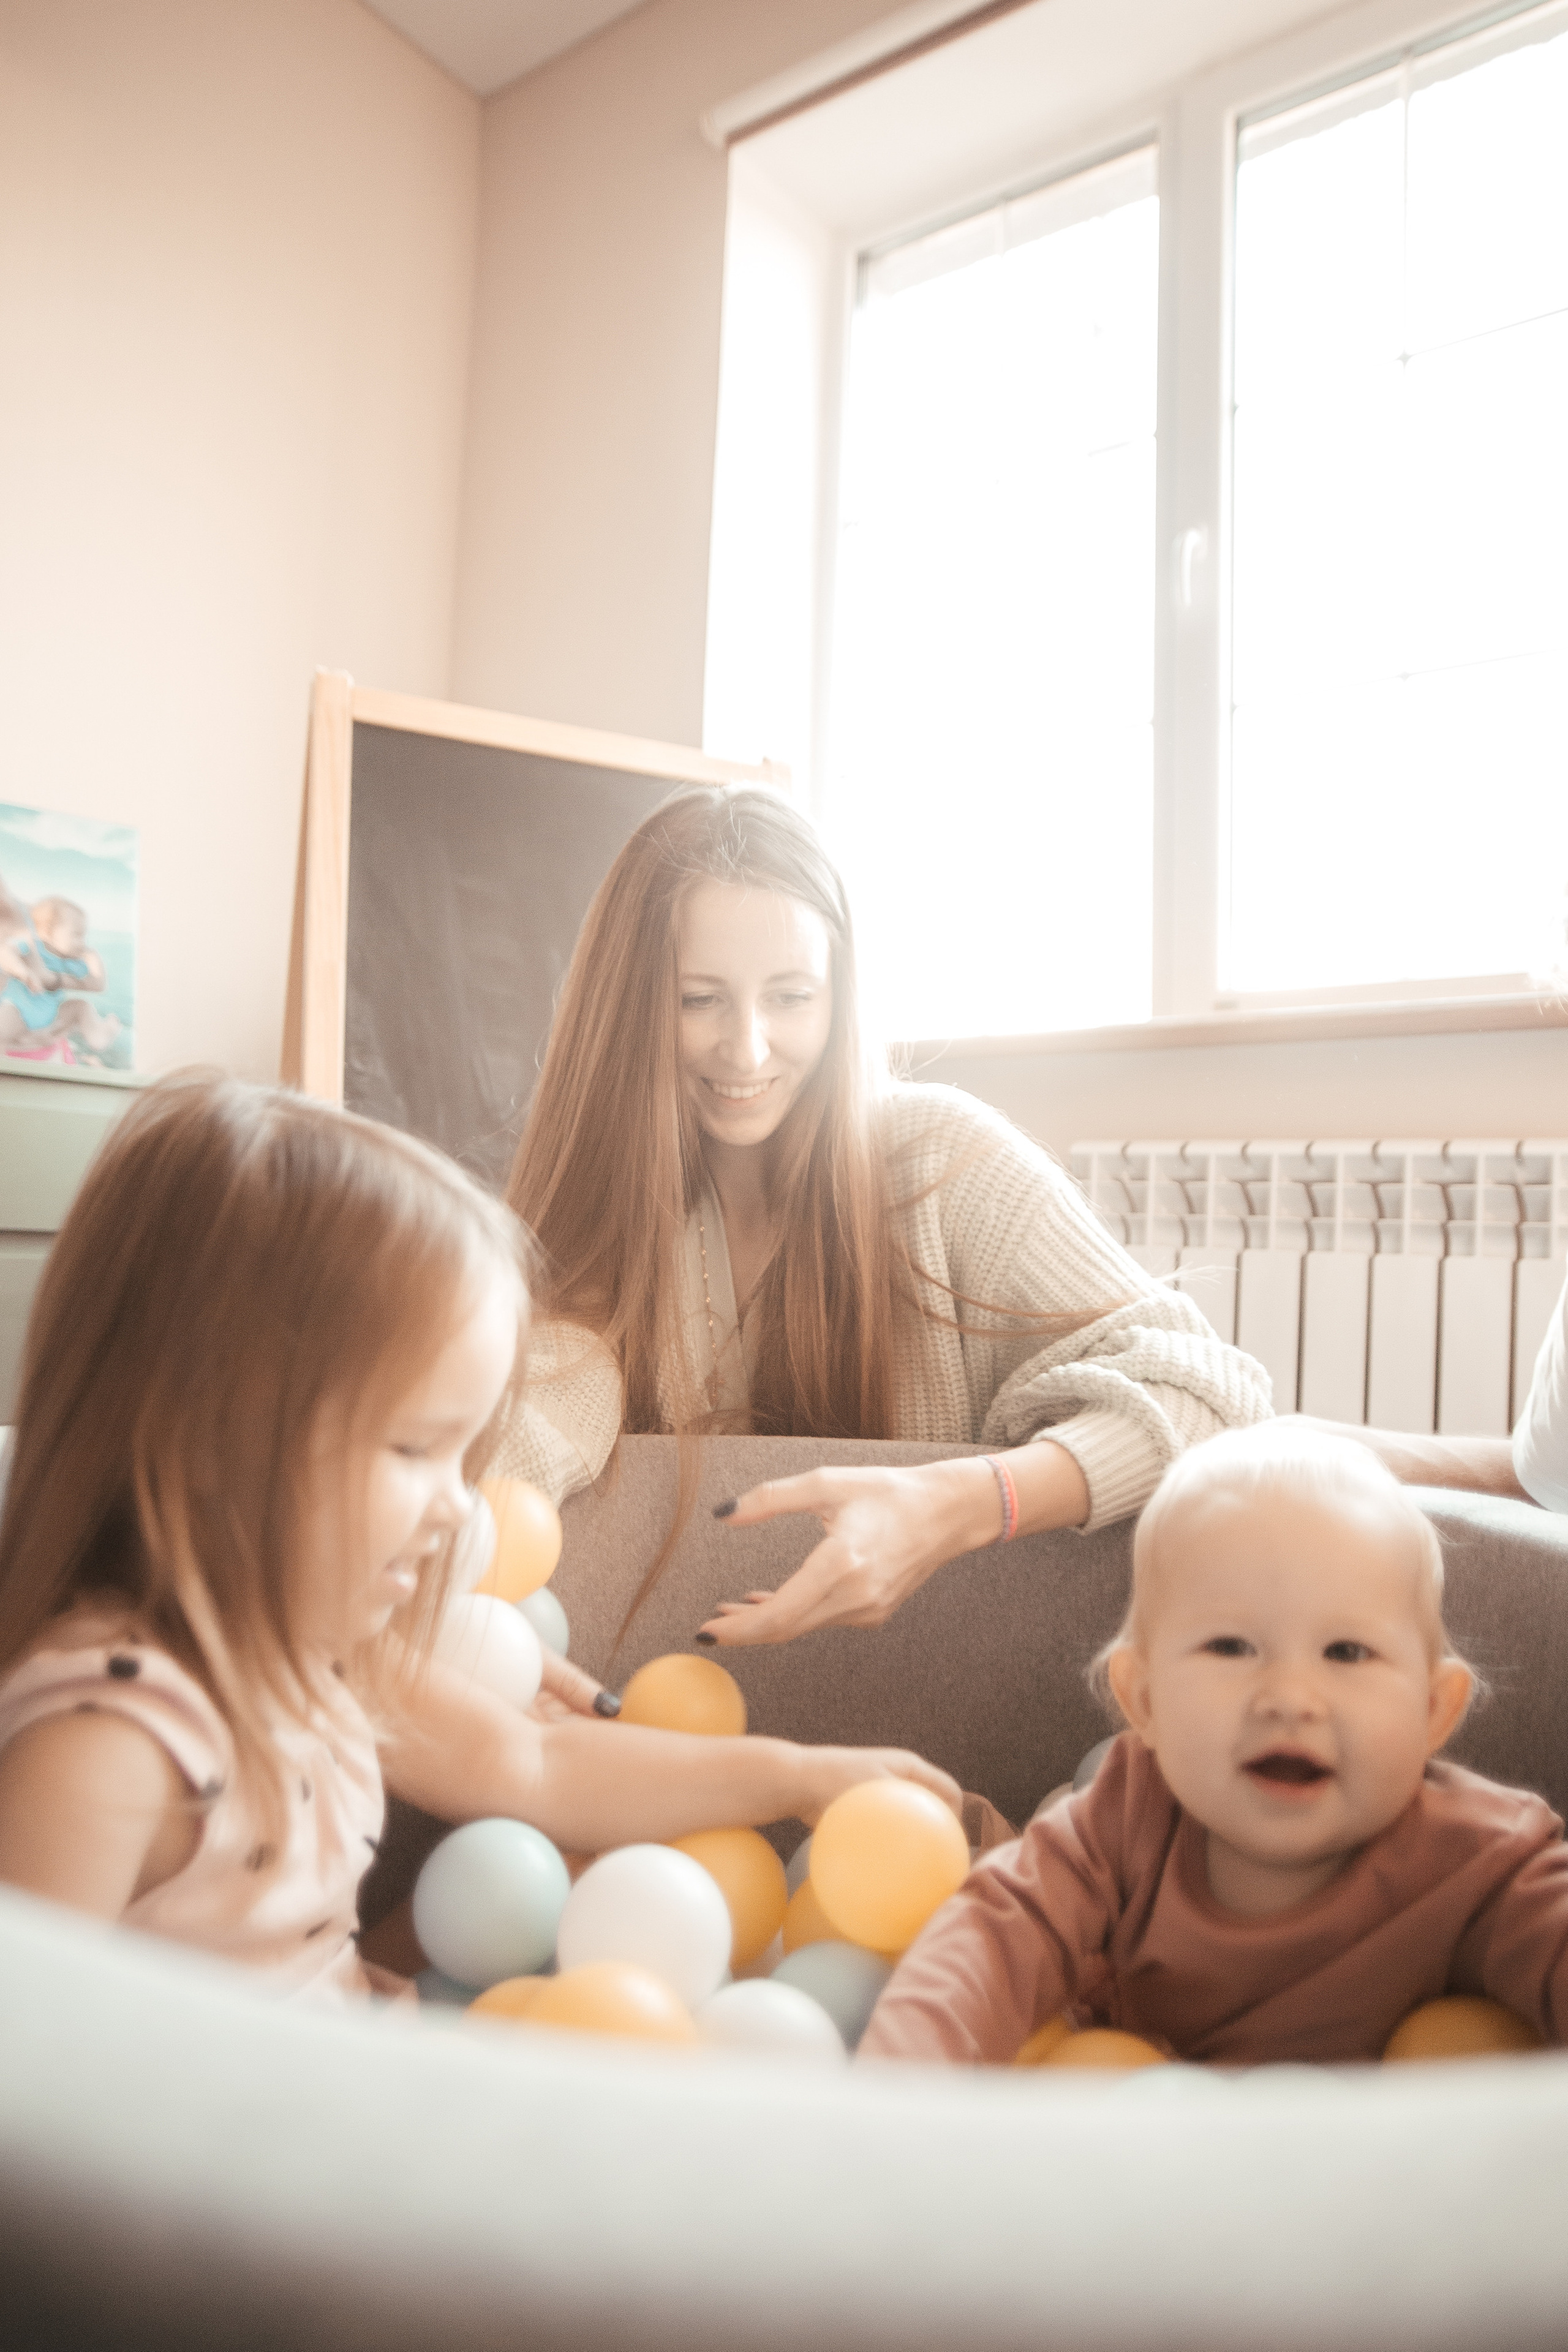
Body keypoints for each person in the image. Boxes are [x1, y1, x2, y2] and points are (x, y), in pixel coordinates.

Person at [0, 1075, 959, 2000]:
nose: (460, 1508)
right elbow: (38, 2102)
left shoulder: (309, 1655)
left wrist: (802, 1776)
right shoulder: (111, 1746)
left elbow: (535, 1766)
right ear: (209, 1437)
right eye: (416, 1447)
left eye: (467, 1459)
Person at [497, 787, 1272, 1646]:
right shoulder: (596, 1208)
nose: (747, 1049)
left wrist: (966, 1500)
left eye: (791, 997)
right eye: (698, 1000)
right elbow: (505, 1450)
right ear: (629, 1008)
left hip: (942, 1686)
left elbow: (1218, 1397)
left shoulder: (941, 1160)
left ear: (840, 997)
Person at [860, 1426, 1568, 2066]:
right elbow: (992, 1936)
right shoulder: (1121, 1825)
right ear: (1143, 1701)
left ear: (1432, 1711)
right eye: (1231, 1646)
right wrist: (899, 2090)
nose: (1290, 1697)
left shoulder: (1482, 1859)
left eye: (1345, 1652)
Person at [0, 889, 120, 1058]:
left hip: (51, 1017)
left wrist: (94, 959)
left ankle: (98, 1036)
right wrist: (24, 973)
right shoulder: (33, 948)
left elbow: (97, 985)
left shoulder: (70, 962)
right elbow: (6, 953)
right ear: (49, 931)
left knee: (81, 1006)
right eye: (77, 935)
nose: (82, 942)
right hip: (18, 1010)